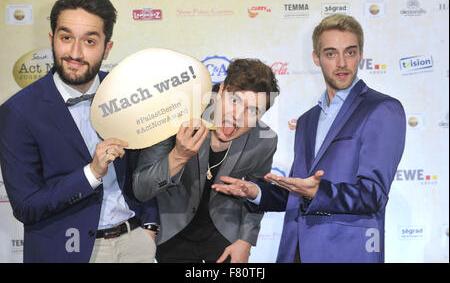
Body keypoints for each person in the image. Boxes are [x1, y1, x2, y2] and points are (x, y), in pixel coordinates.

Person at [212, 14, 406, 263]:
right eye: (330, 54)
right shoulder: (307, 120)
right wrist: (256, 192)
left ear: (360, 54)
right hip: (296, 250)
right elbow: (298, 190)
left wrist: (319, 192)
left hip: (346, 253)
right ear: (316, 58)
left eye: (350, 52)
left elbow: (373, 194)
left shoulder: (381, 109)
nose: (342, 63)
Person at [0, 0, 158, 263]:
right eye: (66, 38)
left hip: (135, 244)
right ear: (52, 39)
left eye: (89, 41)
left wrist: (150, 227)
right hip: (65, 252)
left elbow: (144, 169)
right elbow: (26, 207)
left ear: (107, 47)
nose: (75, 52)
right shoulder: (18, 112)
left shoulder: (128, 92)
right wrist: (92, 173)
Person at [132, 58, 279, 263]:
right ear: (220, 92)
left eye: (253, 111)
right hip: (172, 231)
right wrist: (179, 156)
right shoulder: (178, 116)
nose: (237, 116)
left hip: (225, 234)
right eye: (234, 101)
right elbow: (141, 189)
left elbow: (258, 194)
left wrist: (246, 240)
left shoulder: (264, 140)